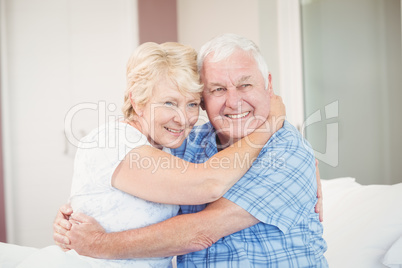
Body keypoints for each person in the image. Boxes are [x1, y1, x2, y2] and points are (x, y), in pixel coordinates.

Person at [0, 41, 282, 267]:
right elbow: (208, 184)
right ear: (137, 98)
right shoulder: (113, 140)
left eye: (192, 104)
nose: (183, 119)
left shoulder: (166, 147)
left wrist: (304, 158)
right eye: (169, 102)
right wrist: (271, 124)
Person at [54, 34, 327, 267]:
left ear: (268, 85)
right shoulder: (186, 142)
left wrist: (98, 243)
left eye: (245, 84)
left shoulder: (287, 149)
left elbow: (201, 231)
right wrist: (78, 210)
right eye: (218, 89)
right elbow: (130, 190)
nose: (234, 101)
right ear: (206, 100)